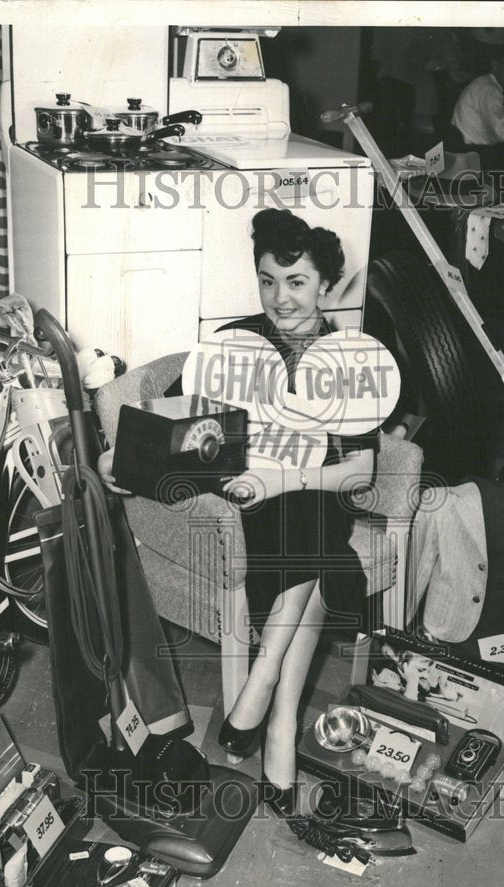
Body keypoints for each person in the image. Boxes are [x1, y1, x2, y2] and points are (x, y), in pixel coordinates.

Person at [99, 209, 379, 817]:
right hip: (234, 506)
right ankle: (270, 710)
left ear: (326, 286)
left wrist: (286, 477)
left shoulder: (351, 362)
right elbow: (172, 427)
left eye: (297, 282)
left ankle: (267, 694)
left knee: (308, 507)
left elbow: (361, 472)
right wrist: (114, 458)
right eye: (268, 280)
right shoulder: (234, 342)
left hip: (306, 499)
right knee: (314, 534)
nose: (281, 298)